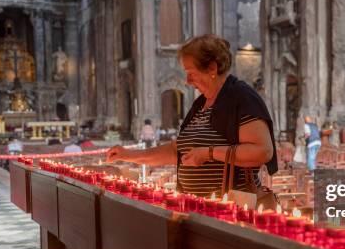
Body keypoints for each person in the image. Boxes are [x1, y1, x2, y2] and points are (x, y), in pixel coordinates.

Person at [106, 34, 277, 198]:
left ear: (212, 68)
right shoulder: (201, 104)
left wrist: (208, 153)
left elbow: (263, 152)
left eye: (191, 72)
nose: (187, 81)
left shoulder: (241, 97)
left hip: (230, 211)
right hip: (197, 209)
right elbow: (176, 151)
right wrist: (128, 155)